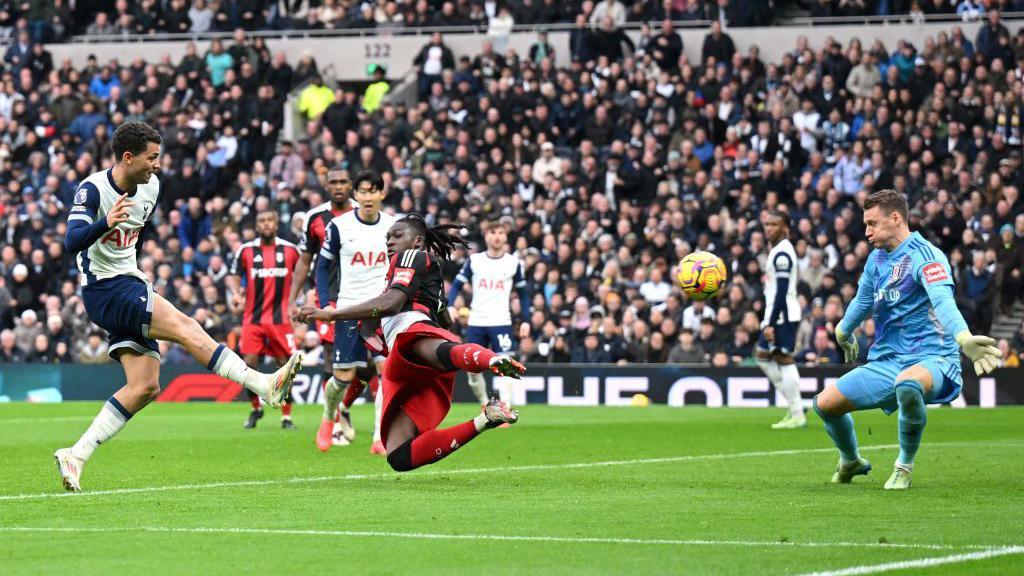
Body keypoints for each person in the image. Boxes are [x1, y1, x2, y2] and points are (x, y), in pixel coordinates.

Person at [55, 122, 301, 492]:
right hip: (106, 289)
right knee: (187, 328)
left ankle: (77, 454)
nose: (157, 164)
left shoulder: (151, 187)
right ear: (128, 157)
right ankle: (262, 384)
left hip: (129, 282)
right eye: (152, 157)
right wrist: (104, 222)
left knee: (144, 386)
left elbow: (133, 233)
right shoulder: (93, 189)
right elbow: (71, 241)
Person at [299, 215, 524, 472]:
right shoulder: (421, 271)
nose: (389, 241)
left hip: (410, 331)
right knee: (399, 457)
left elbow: (393, 303)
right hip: (405, 358)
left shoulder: (411, 257)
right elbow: (444, 319)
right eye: (387, 238)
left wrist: (332, 313)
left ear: (417, 241)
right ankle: (486, 419)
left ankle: (492, 359)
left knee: (425, 346)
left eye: (396, 235)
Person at [817, 190, 1000, 490]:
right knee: (825, 405)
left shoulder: (926, 256)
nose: (867, 231)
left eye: (872, 223)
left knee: (909, 383)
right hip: (888, 360)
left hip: (934, 358)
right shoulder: (876, 260)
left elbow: (942, 300)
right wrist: (843, 330)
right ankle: (850, 459)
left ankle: (904, 465)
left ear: (896, 218)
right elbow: (863, 300)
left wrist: (963, 336)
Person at [314, 171, 395, 454]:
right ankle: (328, 418)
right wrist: (326, 303)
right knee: (342, 377)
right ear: (356, 195)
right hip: (349, 309)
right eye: (363, 191)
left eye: (373, 191)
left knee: (387, 372)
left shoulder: (395, 226)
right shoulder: (339, 226)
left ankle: (379, 437)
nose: (368, 197)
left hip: (382, 312)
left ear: (382, 194)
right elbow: (322, 267)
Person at [288, 168, 356, 446]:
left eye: (344, 181)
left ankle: (346, 410)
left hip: (364, 297)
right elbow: (305, 260)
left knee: (366, 368)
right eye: (334, 182)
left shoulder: (364, 216)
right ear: (326, 186)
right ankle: (335, 420)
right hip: (330, 300)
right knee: (333, 360)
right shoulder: (315, 218)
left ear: (351, 184)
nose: (339, 186)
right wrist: (294, 298)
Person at [226, 209, 301, 430]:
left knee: (285, 366)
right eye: (262, 221)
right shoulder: (246, 250)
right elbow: (232, 275)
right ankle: (256, 408)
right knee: (248, 365)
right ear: (257, 226)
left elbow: (303, 275)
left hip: (281, 320)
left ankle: (286, 417)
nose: (266, 224)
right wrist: (236, 293)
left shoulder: (290, 250)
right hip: (253, 319)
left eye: (270, 220)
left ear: (276, 224)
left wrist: (299, 300)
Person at [446, 219, 530, 407]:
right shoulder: (475, 261)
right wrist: (450, 305)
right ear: (486, 235)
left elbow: (524, 294)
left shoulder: (513, 263)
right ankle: (485, 404)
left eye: (500, 232)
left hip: (501, 321)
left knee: (506, 365)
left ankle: (505, 407)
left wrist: (526, 319)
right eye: (493, 232)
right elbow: (456, 285)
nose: (497, 236)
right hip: (477, 322)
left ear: (505, 236)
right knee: (472, 370)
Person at [757, 211, 806, 429]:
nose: (769, 228)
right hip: (776, 313)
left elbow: (782, 291)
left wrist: (771, 322)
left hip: (782, 314)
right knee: (762, 357)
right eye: (767, 224)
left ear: (785, 227)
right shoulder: (777, 250)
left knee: (783, 358)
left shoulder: (782, 254)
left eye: (774, 224)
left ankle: (797, 413)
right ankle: (794, 402)